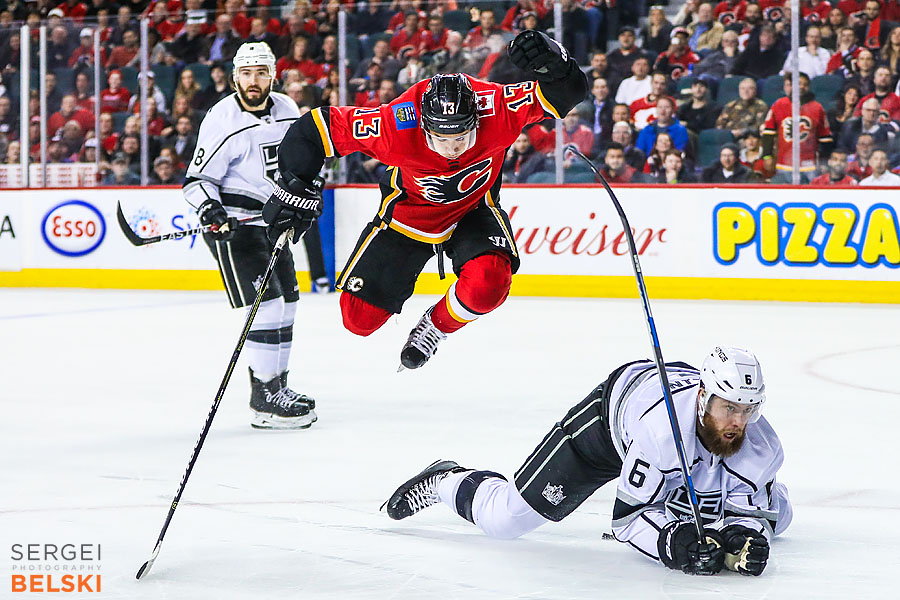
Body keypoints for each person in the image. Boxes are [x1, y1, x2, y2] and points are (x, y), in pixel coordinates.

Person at [262, 31, 589, 371]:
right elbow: (314, 129)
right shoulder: (394, 125)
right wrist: (294, 184)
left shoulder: (497, 108)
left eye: (462, 136)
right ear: (424, 126)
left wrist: (555, 61)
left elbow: (569, 92)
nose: (453, 148)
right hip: (409, 216)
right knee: (358, 320)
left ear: (477, 119)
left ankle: (435, 327)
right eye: (442, 138)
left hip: (473, 209)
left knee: (489, 284)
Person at [383, 347, 792, 577]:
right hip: (608, 428)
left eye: (747, 410)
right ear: (703, 396)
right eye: (728, 409)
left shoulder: (759, 443)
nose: (738, 422)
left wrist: (744, 536)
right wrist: (674, 544)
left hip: (673, 440)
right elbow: (628, 520)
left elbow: (747, 512)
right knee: (505, 520)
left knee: (777, 518)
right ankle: (446, 480)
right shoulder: (660, 433)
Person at [182, 42, 317, 431]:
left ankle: (277, 387)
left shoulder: (288, 110)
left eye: (261, 72)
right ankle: (263, 397)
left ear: (273, 75)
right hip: (233, 228)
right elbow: (196, 180)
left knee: (288, 304)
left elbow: (302, 162)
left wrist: (304, 192)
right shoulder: (222, 118)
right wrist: (211, 209)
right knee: (268, 306)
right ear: (234, 76)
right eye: (246, 73)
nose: (253, 81)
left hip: (273, 224)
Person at [762, 71, 834, 181]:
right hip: (784, 163)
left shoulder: (817, 107)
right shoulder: (779, 105)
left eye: (805, 84)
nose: (802, 87)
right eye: (799, 83)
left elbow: (825, 138)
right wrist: (767, 156)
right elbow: (768, 133)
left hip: (810, 165)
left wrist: (825, 161)